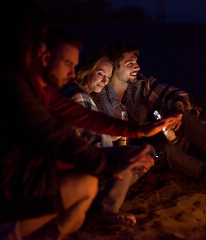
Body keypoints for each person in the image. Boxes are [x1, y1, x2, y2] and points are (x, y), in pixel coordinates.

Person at [0, 2, 179, 239]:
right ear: (23, 43)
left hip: (29, 174)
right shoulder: (12, 85)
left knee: (88, 186)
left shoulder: (37, 85)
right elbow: (56, 138)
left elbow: (86, 118)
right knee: (86, 184)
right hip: (8, 186)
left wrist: (138, 131)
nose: (43, 53)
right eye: (40, 44)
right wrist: (108, 167)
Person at [92, 41, 206, 186]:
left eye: (136, 62)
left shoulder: (139, 85)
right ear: (114, 67)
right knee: (165, 149)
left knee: (184, 117)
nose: (137, 67)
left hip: (160, 139)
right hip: (139, 155)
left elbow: (173, 94)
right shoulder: (100, 96)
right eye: (130, 64)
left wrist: (177, 111)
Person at [60, 50, 148, 226]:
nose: (105, 81)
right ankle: (105, 207)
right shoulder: (78, 95)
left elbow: (89, 131)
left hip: (96, 155)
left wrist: (113, 136)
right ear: (86, 70)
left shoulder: (83, 95)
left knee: (140, 157)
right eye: (100, 74)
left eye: (108, 77)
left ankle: (107, 194)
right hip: (93, 159)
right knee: (141, 154)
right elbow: (88, 139)